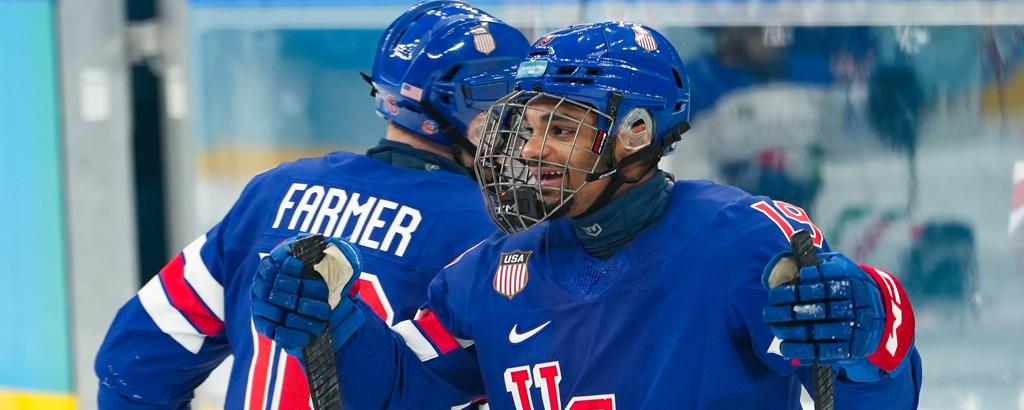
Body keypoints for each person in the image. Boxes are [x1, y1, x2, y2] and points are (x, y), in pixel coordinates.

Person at [253, 22, 922, 409]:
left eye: (561, 127)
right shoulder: (487, 274)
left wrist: (869, 338)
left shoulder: (741, 244)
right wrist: (332, 322)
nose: (530, 149)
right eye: (526, 125)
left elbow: (863, 394)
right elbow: (399, 393)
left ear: (637, 133)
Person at [94, 2, 529, 408]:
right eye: (509, 109)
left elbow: (134, 361)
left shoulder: (273, 192)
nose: (522, 133)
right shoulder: (492, 227)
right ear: (461, 107)